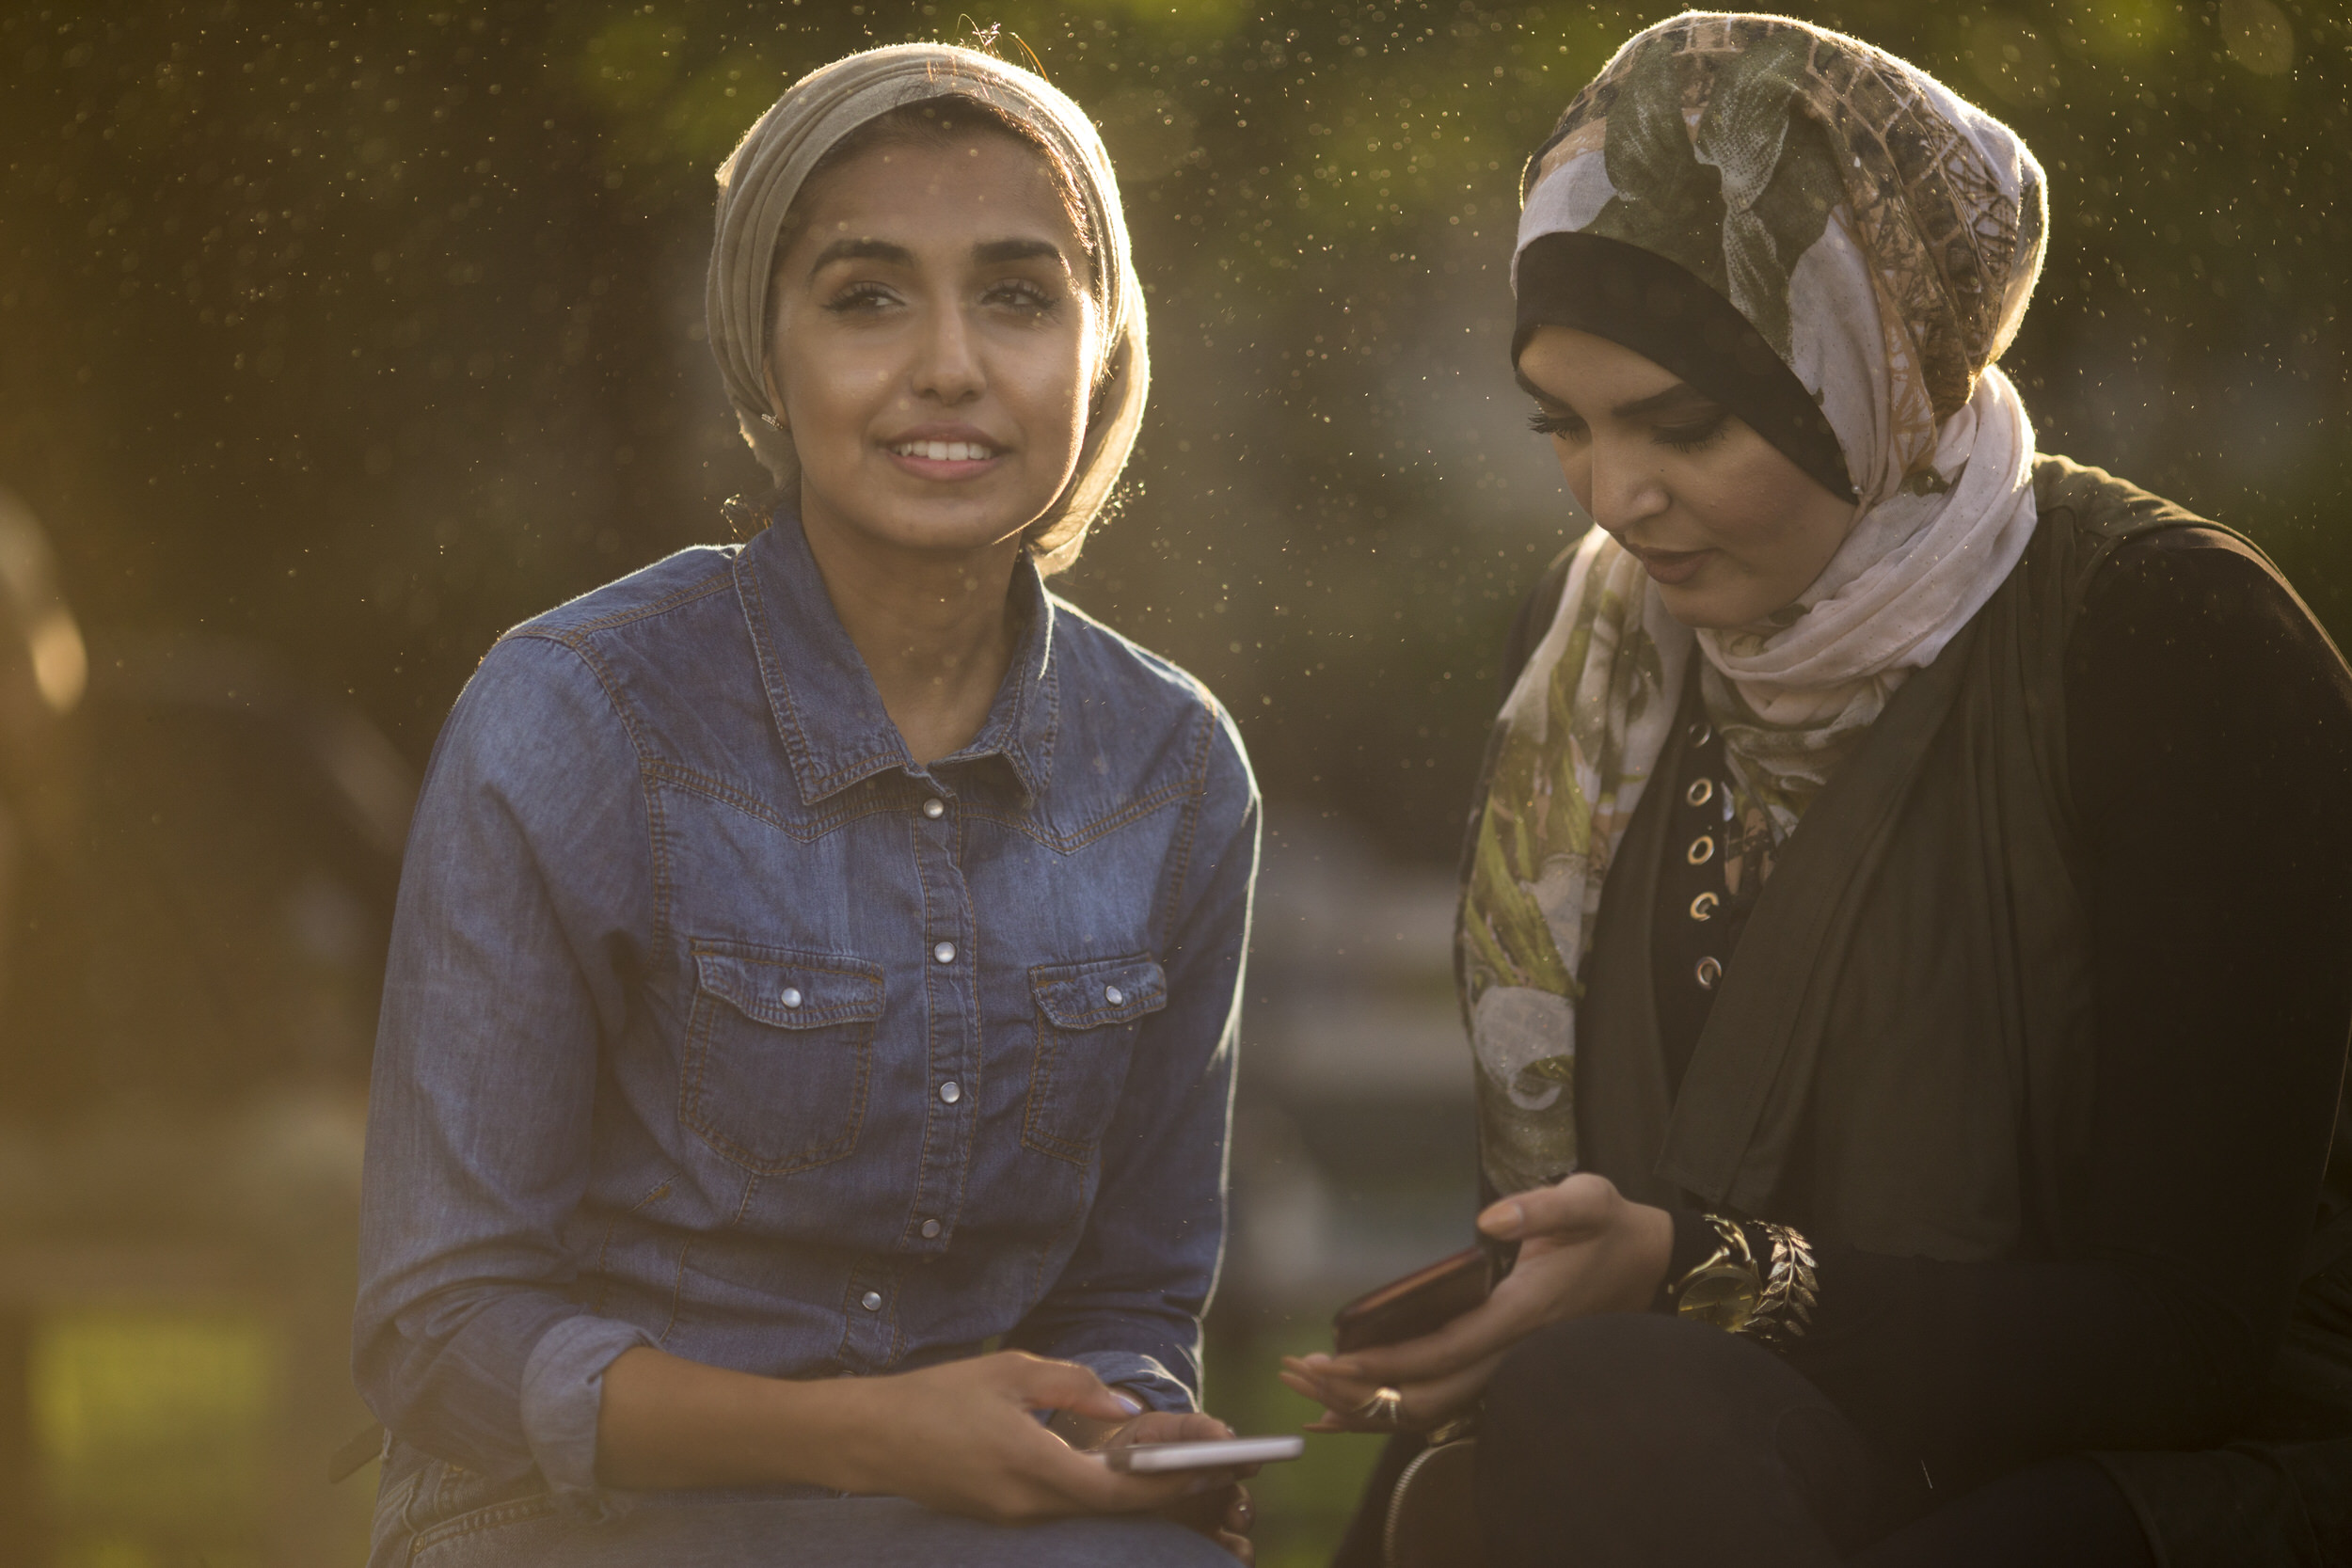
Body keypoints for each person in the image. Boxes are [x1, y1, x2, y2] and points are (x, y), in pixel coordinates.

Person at [1282, 14, 2352, 1567]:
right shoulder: (1594, 659)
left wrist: (1690, 1273)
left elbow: (2186, 1339)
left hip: (2150, 1472)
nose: (1613, 497)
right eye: (1564, 426)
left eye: (1683, 422)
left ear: (1872, 367)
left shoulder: (2171, 641)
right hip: (1724, 1444)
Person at [353, 41, 1260, 1568]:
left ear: (1104, 350)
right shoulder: (577, 715)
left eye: (1021, 295)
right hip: (574, 1514)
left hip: (976, 1517)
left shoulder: (1171, 765)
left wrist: (1125, 1434)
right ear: (763, 352)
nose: (951, 364)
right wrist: (871, 1441)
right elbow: (443, 1332)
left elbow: (1126, 1300)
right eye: (866, 295)